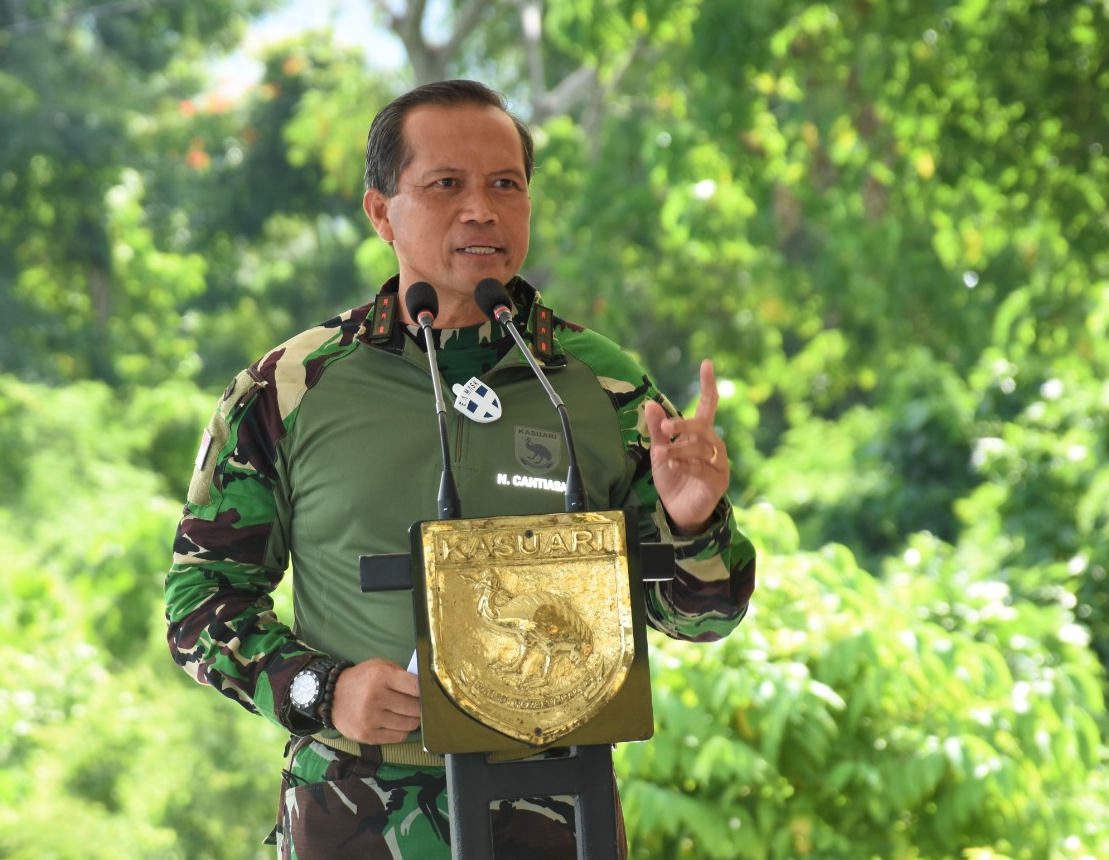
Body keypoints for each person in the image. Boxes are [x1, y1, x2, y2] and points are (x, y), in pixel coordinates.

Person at [165, 79, 757, 859]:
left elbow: (701, 617)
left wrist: (692, 520)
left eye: (505, 185)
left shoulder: (600, 385)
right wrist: (321, 689)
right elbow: (200, 602)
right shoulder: (291, 387)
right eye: (446, 184)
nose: (481, 209)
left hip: (556, 808)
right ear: (381, 211)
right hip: (354, 811)